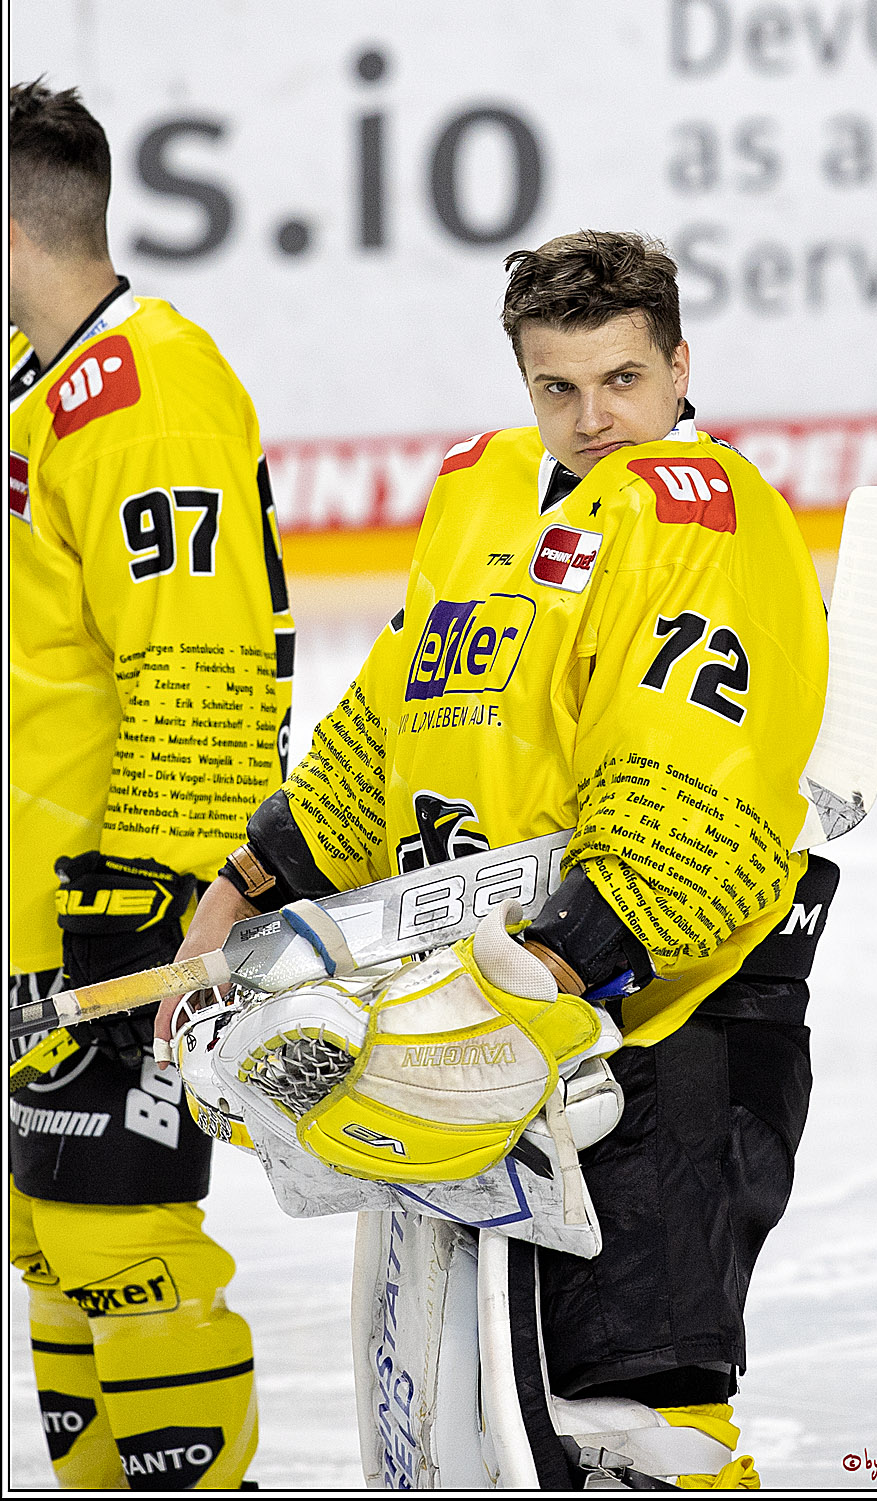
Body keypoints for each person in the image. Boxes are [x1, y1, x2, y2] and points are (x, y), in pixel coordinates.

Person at [160, 230, 839, 1489]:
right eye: (558, 386)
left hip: (655, 1037)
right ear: (522, 379)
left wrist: (541, 974)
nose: (595, 418)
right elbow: (385, 727)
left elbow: (690, 781)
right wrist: (248, 885)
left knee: (630, 1427)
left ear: (681, 363)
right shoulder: (479, 485)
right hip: (485, 1028)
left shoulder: (707, 518)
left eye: (624, 380)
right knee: (471, 1430)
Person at [9, 79, 294, 1490]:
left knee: (125, 1248)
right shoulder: (39, 373)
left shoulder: (149, 389)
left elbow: (205, 665)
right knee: (48, 1239)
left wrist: (148, 910)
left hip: (109, 916)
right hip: (29, 914)